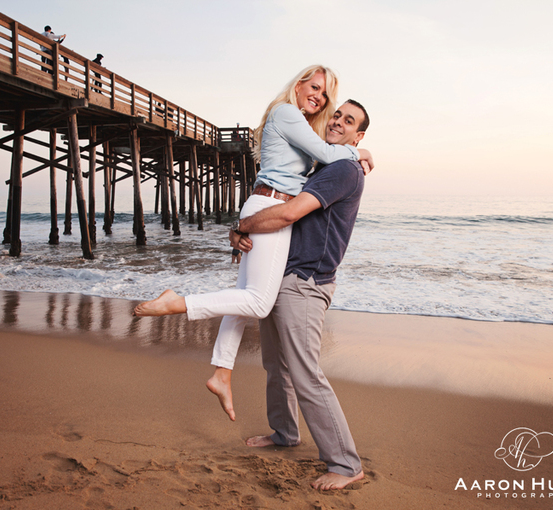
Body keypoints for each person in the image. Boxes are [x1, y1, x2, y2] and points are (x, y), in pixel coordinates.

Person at [134, 66, 374, 421]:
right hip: (271, 205)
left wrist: (243, 225)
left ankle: (221, 373)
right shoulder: (287, 112)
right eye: (315, 88)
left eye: (325, 95)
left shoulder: (297, 121)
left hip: (265, 202)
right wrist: (361, 152)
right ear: (299, 84)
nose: (319, 98)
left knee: (244, 296)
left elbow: (321, 154)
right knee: (259, 302)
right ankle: (178, 302)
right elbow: (326, 154)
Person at [236, 99, 370, 491]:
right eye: (337, 116)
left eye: (349, 122)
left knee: (306, 374)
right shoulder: (321, 166)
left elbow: (288, 213)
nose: (339, 123)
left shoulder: (342, 170)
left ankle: (346, 464)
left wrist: (242, 225)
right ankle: (284, 433)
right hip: (284, 275)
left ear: (357, 136)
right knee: (276, 365)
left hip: (306, 282)